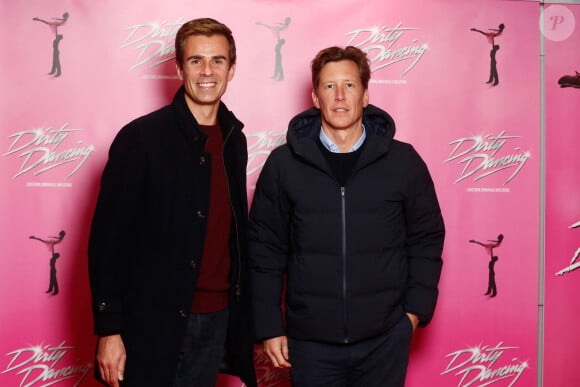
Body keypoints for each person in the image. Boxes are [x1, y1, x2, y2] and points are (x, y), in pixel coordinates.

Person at [248, 46, 445, 387]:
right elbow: (265, 250)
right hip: (310, 345)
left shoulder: (404, 162)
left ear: (365, 94)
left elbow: (426, 238)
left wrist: (413, 314)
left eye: (349, 85)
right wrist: (269, 325)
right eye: (329, 86)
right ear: (315, 96)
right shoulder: (283, 165)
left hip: (384, 340)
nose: (340, 96)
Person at [88, 18, 256, 387]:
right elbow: (108, 241)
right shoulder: (140, 139)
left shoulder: (234, 140)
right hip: (152, 320)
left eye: (218, 61)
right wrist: (109, 330)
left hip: (216, 318)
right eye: (196, 61)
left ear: (232, 68)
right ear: (179, 68)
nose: (207, 71)